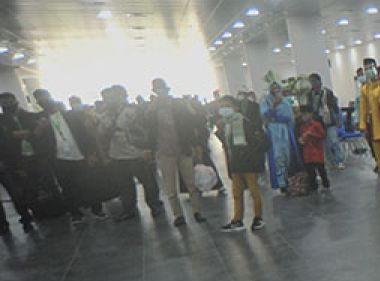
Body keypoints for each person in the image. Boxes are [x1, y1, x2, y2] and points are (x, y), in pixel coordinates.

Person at [32, 88, 106, 223]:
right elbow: (36, 140)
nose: (43, 101)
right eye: (39, 99)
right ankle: (76, 213)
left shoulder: (71, 116)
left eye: (45, 97)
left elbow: (84, 135)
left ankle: (97, 209)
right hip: (59, 159)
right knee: (67, 187)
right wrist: (41, 129)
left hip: (80, 154)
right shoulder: (39, 119)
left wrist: (91, 153)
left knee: (89, 183)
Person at [99, 85, 163, 222]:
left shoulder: (133, 110)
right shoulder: (105, 114)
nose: (112, 99)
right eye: (110, 96)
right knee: (125, 185)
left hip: (137, 153)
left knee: (148, 182)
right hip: (117, 154)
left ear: (123, 95)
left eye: (115, 96)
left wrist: (148, 149)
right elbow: (101, 133)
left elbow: (145, 129)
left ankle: (155, 205)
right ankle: (129, 209)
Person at [149, 78, 207, 227]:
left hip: (183, 148)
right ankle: (178, 215)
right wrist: (152, 109)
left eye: (161, 88)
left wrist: (195, 145)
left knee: (191, 183)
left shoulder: (178, 104)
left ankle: (197, 211)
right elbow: (148, 127)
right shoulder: (151, 109)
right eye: (157, 89)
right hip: (164, 151)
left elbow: (189, 124)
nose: (160, 92)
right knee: (170, 187)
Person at [216, 95, 267, 231]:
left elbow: (255, 142)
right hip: (235, 164)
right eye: (221, 107)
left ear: (235, 107)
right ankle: (237, 220)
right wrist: (219, 131)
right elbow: (227, 145)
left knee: (253, 191)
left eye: (227, 106)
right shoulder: (226, 124)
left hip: (248, 163)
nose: (224, 109)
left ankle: (258, 218)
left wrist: (249, 156)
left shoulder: (243, 122)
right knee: (236, 192)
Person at [0, 91, 36, 234]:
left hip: (5, 164)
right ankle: (3, 225)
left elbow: (6, 143)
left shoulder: (2, 120)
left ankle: (26, 218)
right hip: (6, 163)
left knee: (16, 193)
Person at [259, 82, 301, 194]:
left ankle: (291, 179)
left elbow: (290, 116)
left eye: (278, 88)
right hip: (274, 131)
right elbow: (265, 115)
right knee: (278, 156)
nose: (276, 90)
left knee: (287, 154)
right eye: (274, 89)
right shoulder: (266, 101)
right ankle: (282, 182)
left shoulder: (286, 101)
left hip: (286, 130)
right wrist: (274, 106)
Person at [307, 73, 345, 170]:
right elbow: (309, 109)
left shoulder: (327, 92)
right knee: (325, 144)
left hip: (330, 121)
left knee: (334, 141)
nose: (313, 84)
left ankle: (339, 160)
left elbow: (335, 106)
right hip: (318, 122)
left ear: (319, 81)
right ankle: (330, 162)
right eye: (311, 82)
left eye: (315, 81)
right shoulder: (309, 95)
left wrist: (338, 119)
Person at [297, 105, 331, 192]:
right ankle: (314, 187)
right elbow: (300, 138)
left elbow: (323, 136)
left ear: (310, 114)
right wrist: (301, 140)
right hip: (307, 153)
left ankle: (326, 184)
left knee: (321, 171)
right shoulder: (302, 127)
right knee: (311, 173)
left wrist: (311, 134)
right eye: (302, 116)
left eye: (305, 115)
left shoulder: (317, 125)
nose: (304, 117)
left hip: (317, 152)